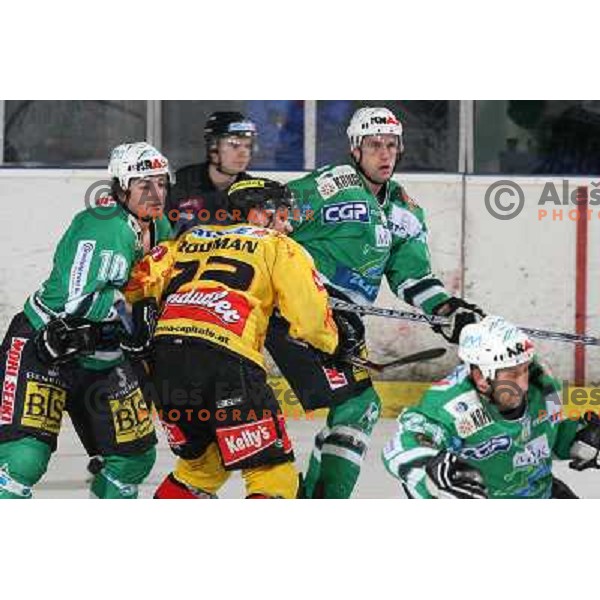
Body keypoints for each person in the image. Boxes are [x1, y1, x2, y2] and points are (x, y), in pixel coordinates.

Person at [265, 106, 484, 499]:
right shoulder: (330, 185)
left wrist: (447, 311)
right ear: (355, 149)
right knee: (359, 405)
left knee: (358, 409)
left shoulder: (406, 211)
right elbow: (269, 221)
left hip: (343, 322)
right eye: (374, 145)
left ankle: (315, 495)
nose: (384, 154)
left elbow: (413, 277)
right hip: (300, 311)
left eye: (391, 145)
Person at [124, 177, 340, 499]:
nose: (288, 227)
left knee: (201, 468)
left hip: (167, 363)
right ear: (256, 214)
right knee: (272, 474)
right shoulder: (278, 246)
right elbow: (310, 320)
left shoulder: (187, 239)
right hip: (227, 363)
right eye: (281, 216)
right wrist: (335, 343)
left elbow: (134, 286)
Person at [0, 142, 173, 499]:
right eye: (145, 184)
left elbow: (161, 278)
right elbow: (82, 303)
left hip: (101, 354)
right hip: (44, 345)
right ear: (123, 186)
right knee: (23, 460)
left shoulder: (157, 225)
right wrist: (132, 320)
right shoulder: (105, 225)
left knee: (134, 458)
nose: (156, 193)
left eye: (161, 183)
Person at [381, 315, 597, 499]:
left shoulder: (543, 384)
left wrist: (580, 437)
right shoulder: (450, 405)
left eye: (524, 369)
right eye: (512, 375)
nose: (523, 384)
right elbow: (399, 448)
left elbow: (551, 434)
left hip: (535, 492)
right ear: (482, 378)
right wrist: (431, 468)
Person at [165, 111, 257, 234]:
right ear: (213, 146)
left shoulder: (254, 191)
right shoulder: (181, 183)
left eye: (247, 146)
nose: (243, 153)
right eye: (234, 145)